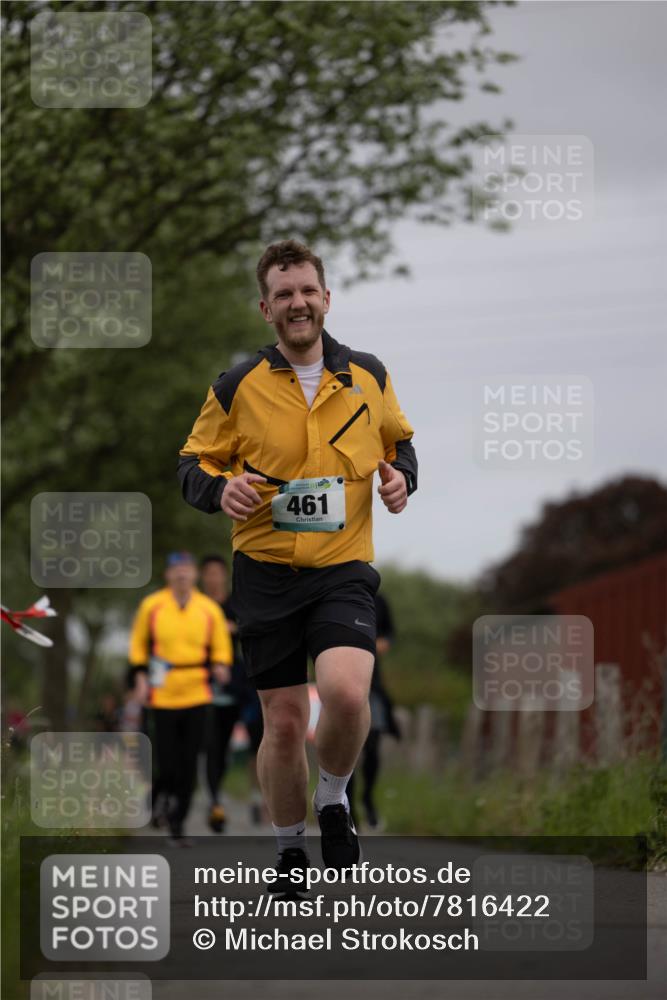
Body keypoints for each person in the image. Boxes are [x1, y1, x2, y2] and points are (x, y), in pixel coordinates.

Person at [178, 239, 417, 881]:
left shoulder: (368, 374)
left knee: (343, 692)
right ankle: (289, 848)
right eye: (283, 294)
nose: (298, 303)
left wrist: (400, 482)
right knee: (282, 724)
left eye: (307, 290)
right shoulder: (237, 385)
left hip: (343, 568)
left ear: (326, 298)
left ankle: (333, 795)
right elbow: (192, 462)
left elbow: (399, 446)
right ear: (266, 308)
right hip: (265, 572)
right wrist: (217, 487)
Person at [128, 551, 232, 844]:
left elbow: (221, 645)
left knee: (190, 761)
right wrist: (139, 676)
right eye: (177, 570)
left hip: (198, 690)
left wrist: (222, 665)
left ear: (195, 574)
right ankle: (158, 796)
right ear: (168, 575)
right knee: (168, 760)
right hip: (163, 692)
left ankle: (178, 820)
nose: (182, 575)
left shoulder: (208, 608)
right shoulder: (153, 605)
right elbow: (138, 644)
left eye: (187, 569)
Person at [199, 554, 265, 832]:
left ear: (224, 576)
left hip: (247, 684)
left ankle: (258, 800)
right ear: (203, 578)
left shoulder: (239, 601)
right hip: (213, 685)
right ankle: (215, 803)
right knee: (216, 746)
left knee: (259, 744)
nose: (213, 578)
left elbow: (257, 626)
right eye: (208, 573)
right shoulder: (196, 607)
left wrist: (233, 628)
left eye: (217, 573)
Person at [346, 590, 401, 831]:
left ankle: (368, 798)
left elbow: (390, 633)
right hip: (341, 683)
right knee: (344, 749)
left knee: (373, 744)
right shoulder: (331, 592)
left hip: (372, 685)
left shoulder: (379, 599)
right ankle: (345, 808)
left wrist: (383, 642)